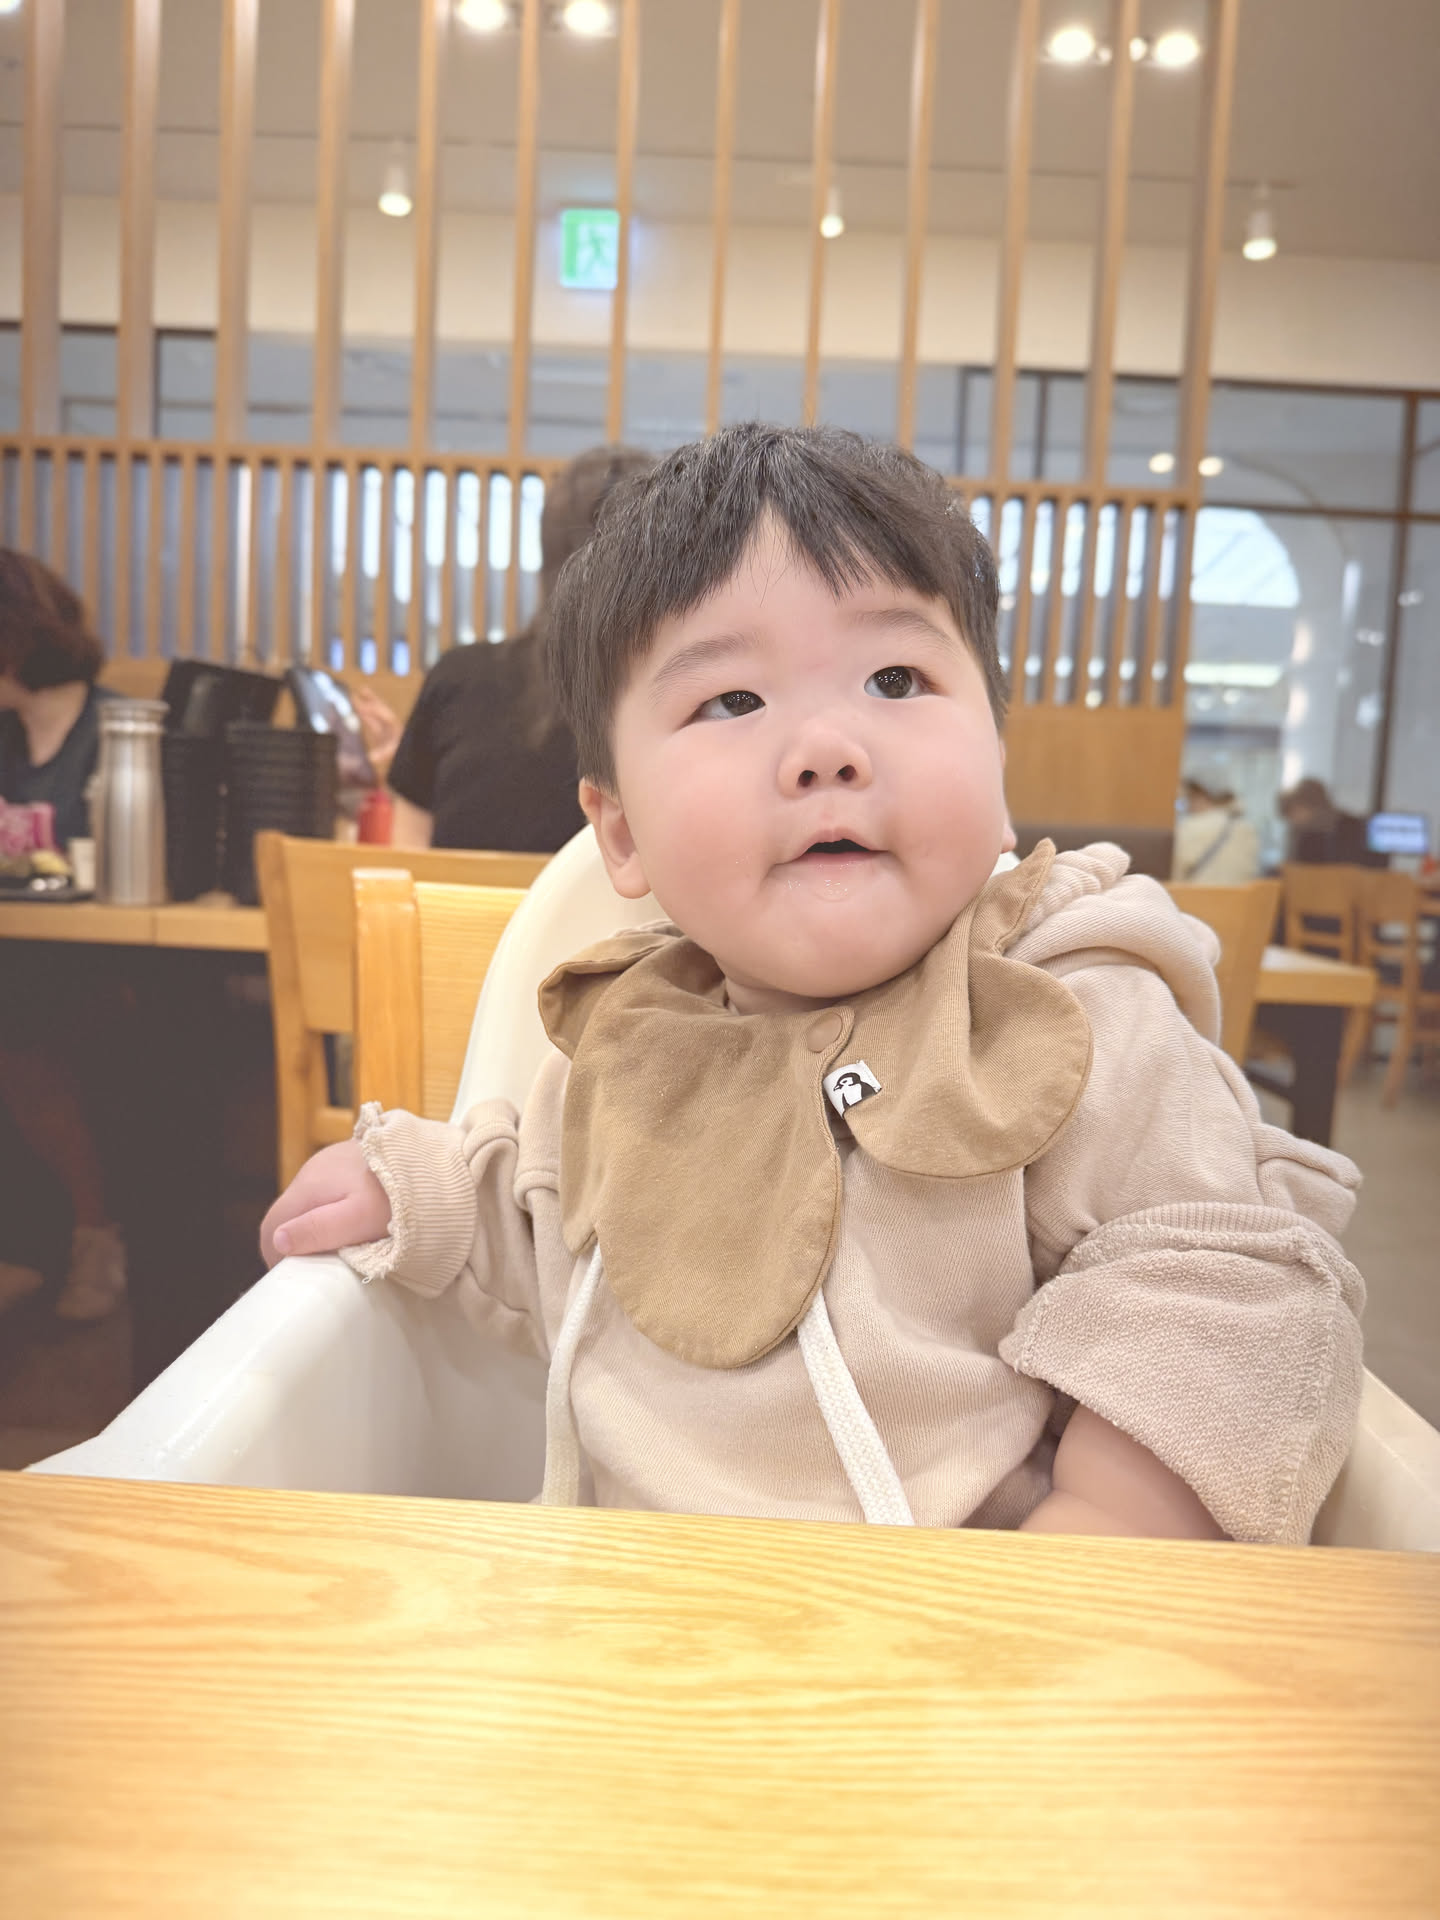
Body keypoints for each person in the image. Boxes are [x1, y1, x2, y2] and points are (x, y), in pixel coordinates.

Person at [261, 425, 1364, 1545]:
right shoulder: (634, 1046)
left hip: (959, 1625)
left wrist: (1100, 1538)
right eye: (733, 700)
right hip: (629, 1612)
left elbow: (1217, 1286)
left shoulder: (1067, 1011)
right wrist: (422, 1191)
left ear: (996, 767)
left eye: (896, 679)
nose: (827, 748)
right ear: (622, 832)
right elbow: (549, 1221)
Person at [382, 445, 656, 852]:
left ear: (548, 554)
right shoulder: (669, 701)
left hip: (454, 899)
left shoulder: (456, 676)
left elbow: (408, 855)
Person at [0, 550, 126, 1319]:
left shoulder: (117, 730)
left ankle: (91, 1239)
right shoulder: (7, 736)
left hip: (103, 964)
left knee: (25, 1033)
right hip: (21, 951)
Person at [1278, 778, 1383, 868]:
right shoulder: (1299, 833)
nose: (1294, 820)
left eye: (1295, 811)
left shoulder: (1351, 827)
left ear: (1313, 805)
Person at [1171, 778, 1261, 883]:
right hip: (1239, 893)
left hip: (1197, 892)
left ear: (1200, 796)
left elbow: (1177, 872)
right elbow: (1250, 871)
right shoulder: (1246, 828)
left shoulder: (1189, 827)